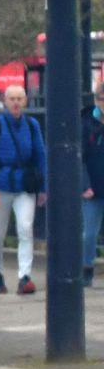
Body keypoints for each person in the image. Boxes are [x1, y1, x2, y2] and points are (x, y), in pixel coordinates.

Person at [0, 82, 46, 295]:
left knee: (25, 228)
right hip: (1, 187)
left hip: (24, 186)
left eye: (20, 99)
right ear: (5, 102)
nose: (16, 103)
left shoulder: (32, 125)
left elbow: (41, 156)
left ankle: (24, 276)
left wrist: (43, 187)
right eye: (12, 99)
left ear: (25, 101)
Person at [81, 95, 104, 289]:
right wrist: (85, 184)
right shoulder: (87, 124)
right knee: (89, 233)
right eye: (102, 99)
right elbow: (80, 157)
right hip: (94, 188)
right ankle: (87, 267)